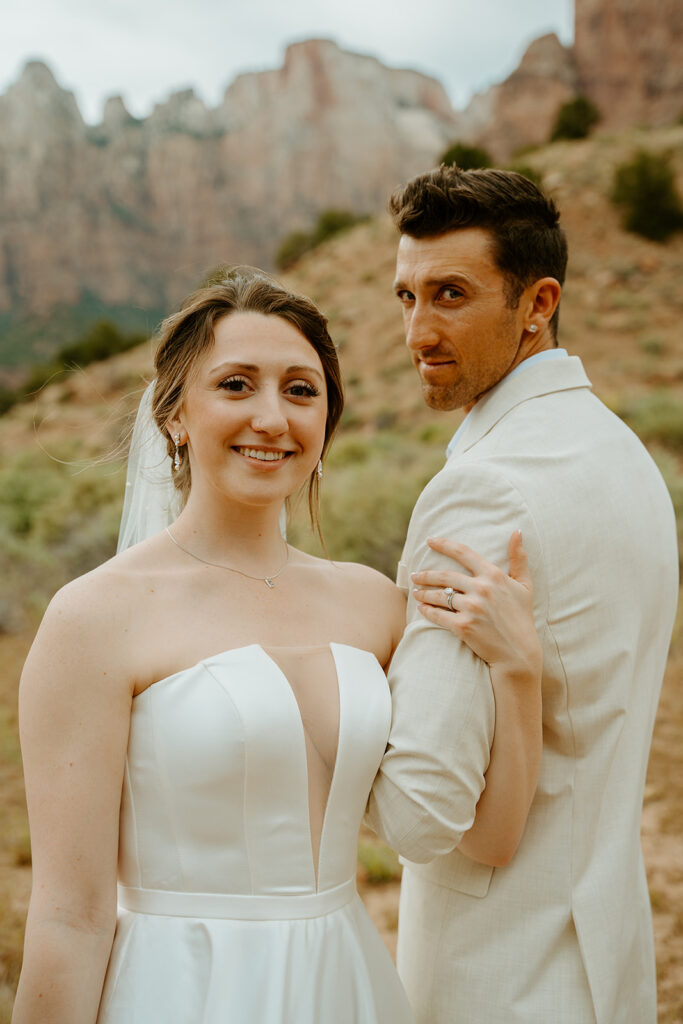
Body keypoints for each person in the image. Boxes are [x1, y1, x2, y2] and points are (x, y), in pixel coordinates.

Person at [13, 269, 543, 1024]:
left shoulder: (375, 604)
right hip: (179, 990)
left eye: (301, 391)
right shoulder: (95, 617)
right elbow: (71, 915)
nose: (272, 417)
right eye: (235, 385)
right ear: (173, 414)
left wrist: (516, 667)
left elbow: (487, 838)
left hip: (345, 984)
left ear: (326, 422)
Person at [364, 166, 679, 1024]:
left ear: (537, 303)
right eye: (406, 296)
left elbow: (421, 809)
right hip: (602, 959)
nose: (416, 331)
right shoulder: (624, 458)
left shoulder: (486, 490)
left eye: (451, 295)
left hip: (496, 978)